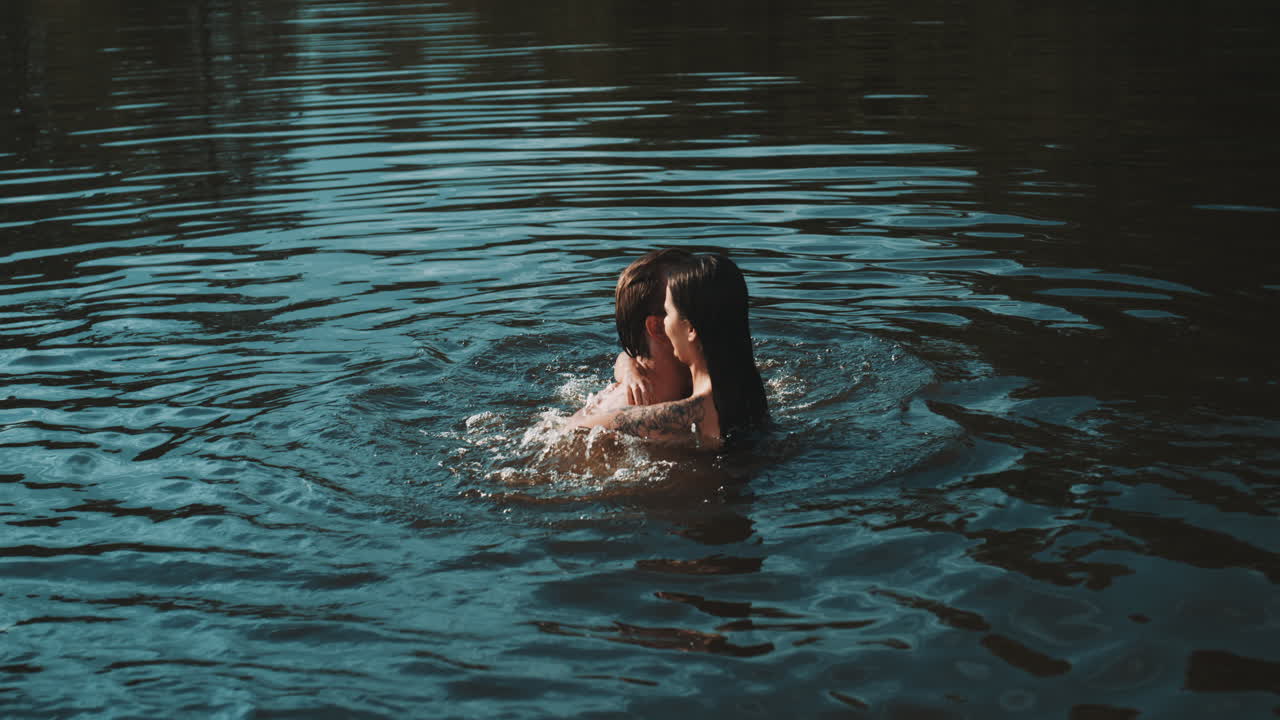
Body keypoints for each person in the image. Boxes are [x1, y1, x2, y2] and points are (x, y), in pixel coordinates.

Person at [574, 253, 769, 450]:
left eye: (668, 313)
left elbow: (575, 430)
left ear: (691, 328)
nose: (665, 324)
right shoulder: (742, 385)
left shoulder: (692, 415)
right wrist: (629, 367)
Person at [570, 249, 693, 419]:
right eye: (691, 300)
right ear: (657, 328)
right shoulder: (614, 418)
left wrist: (629, 368)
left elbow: (627, 355)